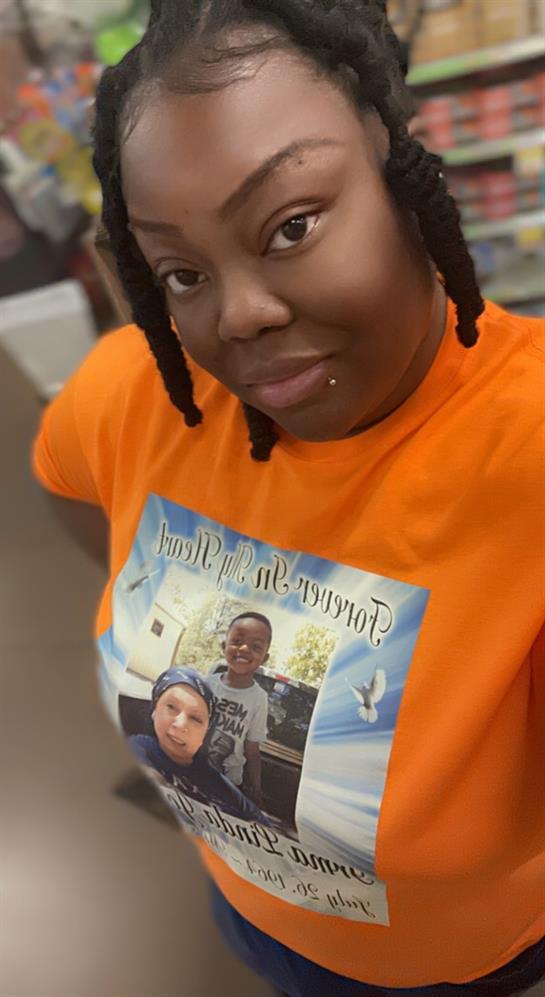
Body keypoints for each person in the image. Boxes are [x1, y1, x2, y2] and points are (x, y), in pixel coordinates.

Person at [32, 1, 544, 995]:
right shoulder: (135, 393)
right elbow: (67, 484)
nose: (239, 317)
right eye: (181, 271)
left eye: (290, 225)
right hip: (253, 918)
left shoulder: (523, 456)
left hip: (454, 967)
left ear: (399, 168)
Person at [128, 666, 266, 824]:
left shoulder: (215, 779)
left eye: (195, 718)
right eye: (171, 707)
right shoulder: (138, 747)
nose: (180, 724)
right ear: (154, 709)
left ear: (205, 733)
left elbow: (258, 820)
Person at [207, 612, 271, 803]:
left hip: (228, 782)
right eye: (236, 641)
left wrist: (256, 789)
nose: (244, 648)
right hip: (191, 768)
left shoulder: (259, 698)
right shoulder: (206, 684)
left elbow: (252, 748)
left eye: (255, 646)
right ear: (223, 646)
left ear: (264, 658)